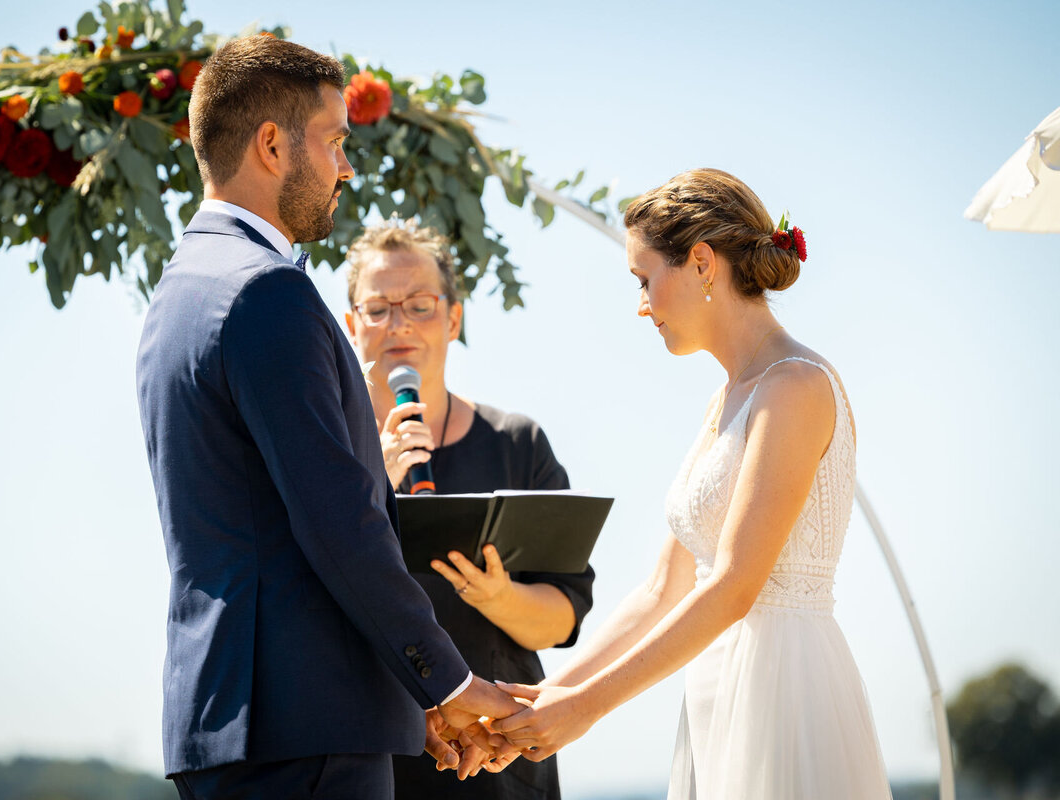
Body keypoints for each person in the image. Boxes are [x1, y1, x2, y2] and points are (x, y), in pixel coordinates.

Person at [135, 36, 519, 800]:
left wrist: (414, 702)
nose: (347, 166)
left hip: (239, 723)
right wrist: (441, 681)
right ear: (272, 144)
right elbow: (339, 521)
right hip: (304, 734)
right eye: (336, 140)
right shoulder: (264, 293)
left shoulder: (181, 291)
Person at [485, 169, 893, 799]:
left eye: (645, 279)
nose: (642, 304)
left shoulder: (795, 388)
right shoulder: (726, 399)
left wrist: (586, 710)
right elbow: (662, 589)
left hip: (785, 689)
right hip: (716, 693)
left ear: (702, 263)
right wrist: (553, 695)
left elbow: (732, 587)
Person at [343, 220, 596, 799]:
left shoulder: (517, 443)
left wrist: (498, 596)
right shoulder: (326, 451)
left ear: (453, 319)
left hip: (496, 757)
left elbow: (564, 618)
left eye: (420, 304)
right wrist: (371, 478)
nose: (399, 323)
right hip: (369, 753)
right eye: (378, 308)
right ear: (353, 325)